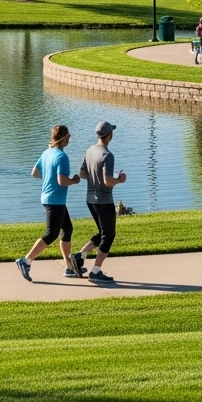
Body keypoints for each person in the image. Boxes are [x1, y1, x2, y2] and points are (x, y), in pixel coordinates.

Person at [16, 125, 83, 282]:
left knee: (67, 228)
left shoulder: (47, 153)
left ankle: (68, 267)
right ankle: (25, 261)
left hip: (48, 197)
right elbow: (62, 181)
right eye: (69, 136)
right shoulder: (61, 157)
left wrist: (49, 177)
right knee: (51, 234)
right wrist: (74, 180)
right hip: (55, 200)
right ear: (64, 138)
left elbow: (35, 173)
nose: (70, 139)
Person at [77, 121, 127, 283]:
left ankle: (80, 256)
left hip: (90, 199)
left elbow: (83, 174)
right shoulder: (107, 155)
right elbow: (107, 181)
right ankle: (96, 271)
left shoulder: (90, 150)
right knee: (109, 235)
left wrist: (94, 175)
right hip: (104, 200)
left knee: (102, 233)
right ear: (110, 136)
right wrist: (119, 180)